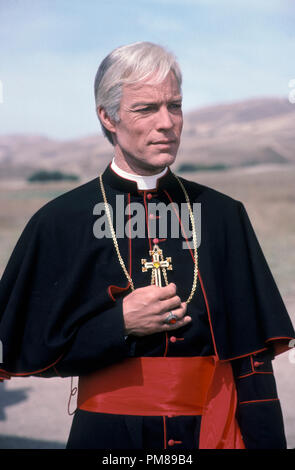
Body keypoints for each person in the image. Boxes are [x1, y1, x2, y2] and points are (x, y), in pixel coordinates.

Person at [0, 41, 294, 450]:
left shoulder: (225, 216)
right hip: (107, 437)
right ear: (108, 116)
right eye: (146, 108)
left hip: (210, 434)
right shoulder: (60, 221)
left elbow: (253, 364)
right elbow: (26, 348)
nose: (167, 122)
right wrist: (115, 325)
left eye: (174, 105)